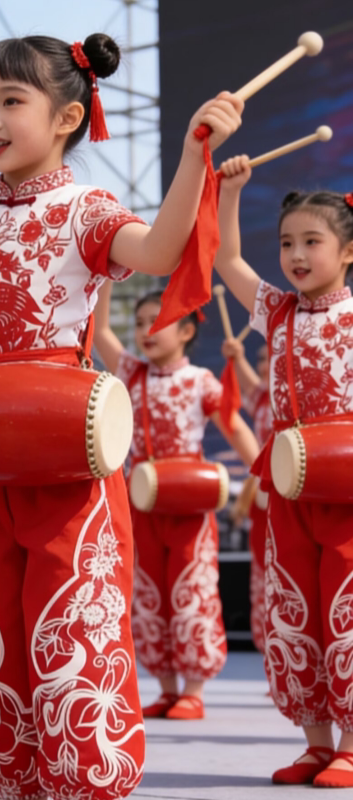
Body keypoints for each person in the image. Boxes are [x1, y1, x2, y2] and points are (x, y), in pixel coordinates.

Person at [0, 1, 243, 795]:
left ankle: (83, 782)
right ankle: (17, 782)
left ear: (69, 115)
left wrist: (192, 156)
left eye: (12, 102)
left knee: (70, 624)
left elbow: (160, 251)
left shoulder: (86, 212)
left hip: (60, 447)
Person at [216, 157, 353, 788]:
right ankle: (316, 742)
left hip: (349, 492)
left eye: (311, 242)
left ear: (347, 252)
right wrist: (231, 194)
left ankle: (351, 743)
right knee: (296, 612)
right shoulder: (276, 313)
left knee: (347, 611)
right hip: (291, 492)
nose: (295, 255)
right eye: (287, 243)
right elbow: (227, 262)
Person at [93, 284, 259, 719]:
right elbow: (101, 332)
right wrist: (104, 278)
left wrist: (263, 473)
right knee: (148, 594)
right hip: (141, 505)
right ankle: (166, 687)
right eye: (143, 321)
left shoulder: (199, 381)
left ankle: (194, 690)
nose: (148, 329)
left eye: (159, 321)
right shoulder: (130, 373)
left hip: (189, 504)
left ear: (186, 331)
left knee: (192, 590)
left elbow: (234, 427)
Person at [221, 336, 271, 656]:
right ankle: (279, 662)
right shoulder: (266, 398)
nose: (265, 364)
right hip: (268, 499)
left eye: (271, 357)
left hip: (308, 495)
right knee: (266, 580)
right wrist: (237, 359)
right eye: (261, 358)